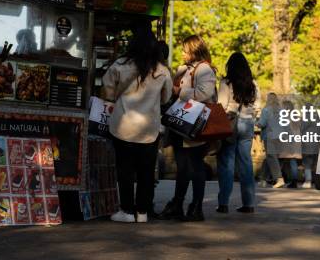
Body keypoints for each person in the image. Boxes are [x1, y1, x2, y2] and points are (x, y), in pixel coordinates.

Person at [103, 28, 173, 223]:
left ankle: (126, 211)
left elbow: (107, 91)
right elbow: (166, 98)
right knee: (146, 172)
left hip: (123, 125)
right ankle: (142, 212)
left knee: (125, 170)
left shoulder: (119, 65)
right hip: (149, 129)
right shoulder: (162, 71)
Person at [159, 35, 217, 222]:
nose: (182, 53)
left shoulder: (204, 69)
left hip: (194, 126)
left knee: (196, 165)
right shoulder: (184, 69)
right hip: (180, 125)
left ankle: (196, 207)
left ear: (194, 50)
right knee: (183, 167)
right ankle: (178, 204)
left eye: (185, 50)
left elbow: (204, 93)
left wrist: (179, 92)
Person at [216, 52, 261, 214]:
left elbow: (221, 106)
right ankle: (248, 204)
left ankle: (223, 204)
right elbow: (257, 108)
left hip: (230, 124)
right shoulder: (253, 84)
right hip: (248, 124)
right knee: (246, 164)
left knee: (226, 164)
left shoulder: (226, 83)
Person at [257, 93, 285, 188]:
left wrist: (255, 122)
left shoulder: (266, 110)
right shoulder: (281, 110)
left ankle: (279, 178)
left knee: (272, 158)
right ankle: (263, 179)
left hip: (270, 136)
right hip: (280, 137)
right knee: (270, 157)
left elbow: (262, 123)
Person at [280, 99, 301, 188]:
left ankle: (289, 180)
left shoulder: (286, 116)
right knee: (291, 161)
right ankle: (292, 180)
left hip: (290, 140)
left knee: (289, 161)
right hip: (296, 140)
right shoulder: (296, 115)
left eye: (283, 106)